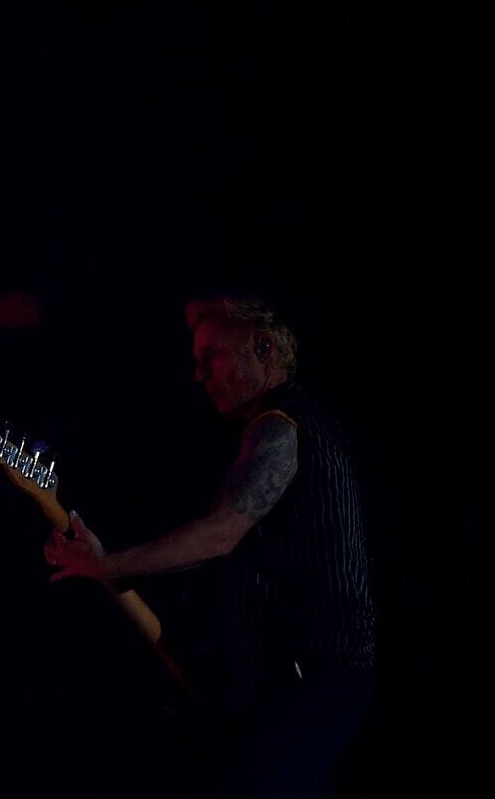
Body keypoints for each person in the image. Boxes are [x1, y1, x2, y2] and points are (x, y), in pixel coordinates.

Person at [44, 294, 374, 798]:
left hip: (308, 684)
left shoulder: (280, 428)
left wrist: (107, 563)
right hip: (307, 685)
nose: (199, 376)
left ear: (262, 347)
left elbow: (220, 533)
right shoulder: (292, 426)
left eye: (211, 358)